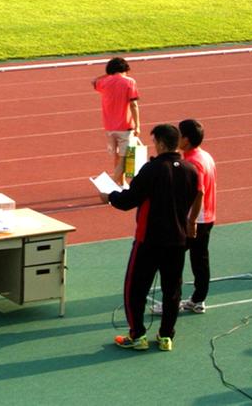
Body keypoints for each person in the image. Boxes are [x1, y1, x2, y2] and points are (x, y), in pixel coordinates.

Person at [101, 124, 200, 352]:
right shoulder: (190, 170)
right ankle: (166, 336)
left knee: (135, 289)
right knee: (172, 290)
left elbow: (128, 200)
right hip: (177, 240)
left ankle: (138, 335)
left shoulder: (152, 169)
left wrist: (109, 196)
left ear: (162, 144)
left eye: (155, 142)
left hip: (149, 240)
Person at [178, 119, 217, 313]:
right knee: (200, 259)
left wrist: (191, 220)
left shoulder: (192, 162)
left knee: (173, 257)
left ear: (186, 139)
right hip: (207, 216)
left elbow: (199, 192)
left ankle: (172, 300)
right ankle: (198, 300)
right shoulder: (205, 156)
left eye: (179, 134)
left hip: (195, 219)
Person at [94, 57, 141, 185]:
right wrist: (137, 126)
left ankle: (122, 182)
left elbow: (94, 81)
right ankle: (113, 184)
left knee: (117, 156)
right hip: (125, 126)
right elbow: (133, 105)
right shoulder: (129, 82)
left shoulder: (104, 82)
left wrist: (108, 74)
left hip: (109, 126)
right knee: (125, 157)